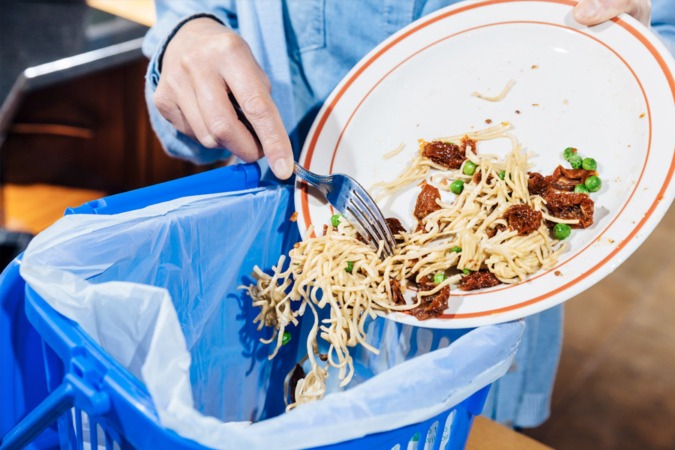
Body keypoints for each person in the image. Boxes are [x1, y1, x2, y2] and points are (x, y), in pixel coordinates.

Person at [142, 0, 675, 429]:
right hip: (287, 283)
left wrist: (639, 46)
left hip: (481, 347)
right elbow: (184, 61)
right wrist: (188, 34)